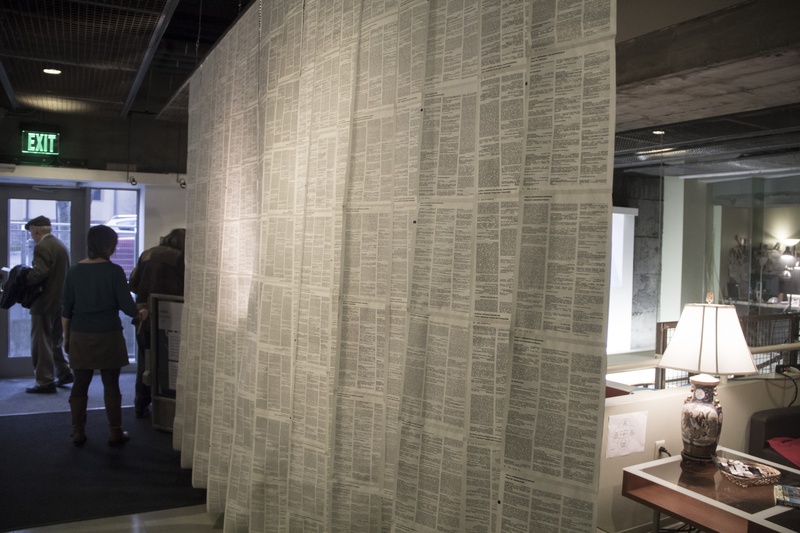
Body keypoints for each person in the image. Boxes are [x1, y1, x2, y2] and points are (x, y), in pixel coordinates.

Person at [61, 225, 148, 446]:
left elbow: (66, 310)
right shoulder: (114, 271)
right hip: (109, 335)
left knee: (80, 384)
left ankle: (78, 431)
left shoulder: (74, 271)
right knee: (111, 384)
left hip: (80, 334)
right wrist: (141, 313)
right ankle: (114, 432)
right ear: (109, 245)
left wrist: (67, 337)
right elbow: (127, 306)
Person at [129, 228, 185, 418]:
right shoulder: (181, 257)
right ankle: (167, 410)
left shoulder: (147, 253)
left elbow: (133, 283)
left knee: (145, 361)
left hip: (143, 315)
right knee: (169, 363)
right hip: (171, 315)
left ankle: (141, 403)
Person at [24, 215, 73, 394]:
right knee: (55, 340)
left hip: (44, 302)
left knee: (41, 341)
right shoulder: (60, 245)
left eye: (31, 232)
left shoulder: (42, 246)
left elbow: (39, 274)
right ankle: (64, 372)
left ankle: (44, 381)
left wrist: (21, 278)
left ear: (35, 230)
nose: (31, 236)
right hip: (60, 301)